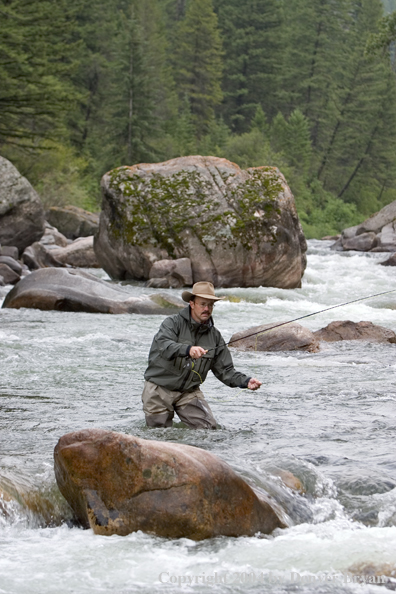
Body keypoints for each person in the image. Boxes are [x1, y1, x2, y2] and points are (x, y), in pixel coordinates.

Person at [142, 281, 262, 429]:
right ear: (192, 304)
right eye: (202, 304)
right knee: (159, 436)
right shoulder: (172, 323)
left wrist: (246, 381)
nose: (207, 309)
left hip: (189, 393)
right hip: (159, 389)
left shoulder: (215, 336)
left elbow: (226, 371)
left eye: (210, 305)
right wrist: (188, 350)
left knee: (209, 430)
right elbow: (164, 345)